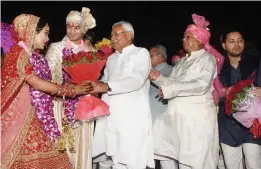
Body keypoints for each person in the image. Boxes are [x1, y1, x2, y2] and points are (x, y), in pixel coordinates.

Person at [1, 14, 93, 169]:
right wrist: (71, 89)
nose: (47, 38)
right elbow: (36, 83)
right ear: (31, 31)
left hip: (33, 114)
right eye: (45, 33)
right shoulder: (20, 53)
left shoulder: (31, 54)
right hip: (19, 118)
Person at [149, 14, 221, 169]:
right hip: (179, 119)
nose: (184, 40)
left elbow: (201, 84)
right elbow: (172, 83)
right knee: (176, 156)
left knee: (195, 160)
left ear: (200, 39)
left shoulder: (207, 59)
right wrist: (158, 78)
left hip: (196, 120)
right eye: (184, 37)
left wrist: (171, 87)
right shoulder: (181, 62)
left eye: (189, 36)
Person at [91, 21, 154, 169]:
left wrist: (106, 86)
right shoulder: (111, 59)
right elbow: (105, 80)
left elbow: (136, 80)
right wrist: (91, 84)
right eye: (111, 34)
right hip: (111, 115)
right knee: (115, 159)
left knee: (133, 158)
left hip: (132, 117)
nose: (112, 38)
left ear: (129, 36)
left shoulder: (141, 53)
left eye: (116, 34)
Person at [45, 7, 96, 168]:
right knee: (63, 145)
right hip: (61, 104)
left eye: (77, 27)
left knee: (81, 146)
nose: (72, 31)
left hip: (84, 106)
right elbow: (47, 77)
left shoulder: (91, 51)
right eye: (69, 26)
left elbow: (94, 79)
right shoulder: (56, 47)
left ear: (84, 29)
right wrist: (66, 84)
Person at [218, 29, 261, 169]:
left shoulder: (255, 62)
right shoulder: (216, 65)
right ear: (224, 45)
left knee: (254, 164)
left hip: (253, 124)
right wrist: (224, 92)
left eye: (240, 40)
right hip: (227, 125)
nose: (236, 44)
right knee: (232, 165)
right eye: (231, 41)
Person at [149, 45, 174, 168]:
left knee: (166, 159)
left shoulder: (172, 71)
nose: (148, 58)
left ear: (161, 56)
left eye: (151, 55)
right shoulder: (146, 72)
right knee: (147, 157)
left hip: (163, 122)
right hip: (147, 121)